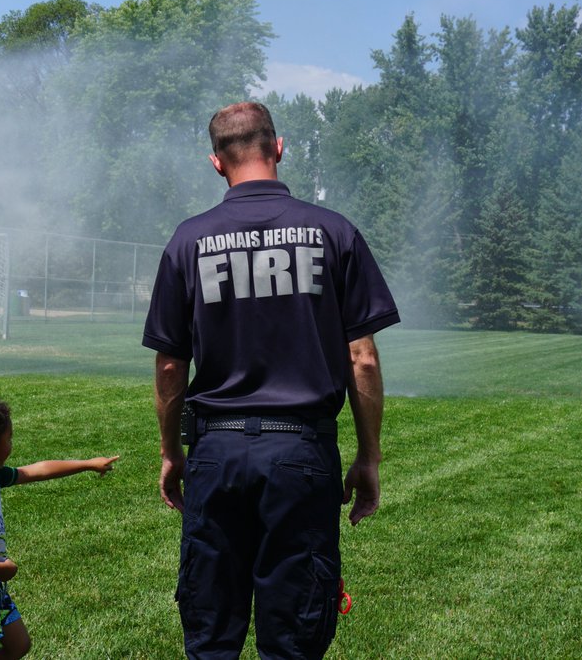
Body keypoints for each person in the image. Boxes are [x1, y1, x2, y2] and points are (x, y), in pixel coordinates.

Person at [143, 102, 399, 659]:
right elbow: (364, 360)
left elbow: (169, 366)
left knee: (211, 635)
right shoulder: (334, 231)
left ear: (216, 163)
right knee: (295, 638)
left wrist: (171, 452)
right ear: (279, 148)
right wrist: (369, 456)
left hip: (215, 451)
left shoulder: (187, 241)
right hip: (302, 454)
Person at [0, 395, 120, 659]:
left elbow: (38, 470)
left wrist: (88, 464)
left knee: (19, 645)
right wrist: (3, 568)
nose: (11, 445)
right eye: (9, 439)